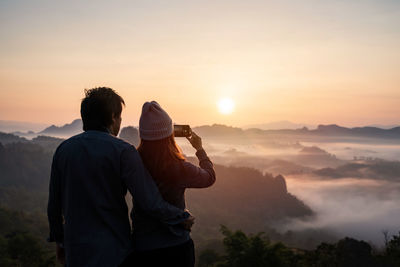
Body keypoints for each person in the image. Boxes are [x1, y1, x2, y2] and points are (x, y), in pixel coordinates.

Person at [47, 88, 193, 267]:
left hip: (77, 254)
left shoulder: (64, 150)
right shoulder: (123, 151)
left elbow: (54, 205)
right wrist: (181, 216)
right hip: (115, 253)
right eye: (120, 117)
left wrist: (60, 241)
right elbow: (150, 202)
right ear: (113, 117)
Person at [133, 101, 216, 267]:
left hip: (144, 248)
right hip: (177, 247)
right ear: (169, 136)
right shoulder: (179, 168)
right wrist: (200, 150)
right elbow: (209, 178)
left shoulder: (132, 165)